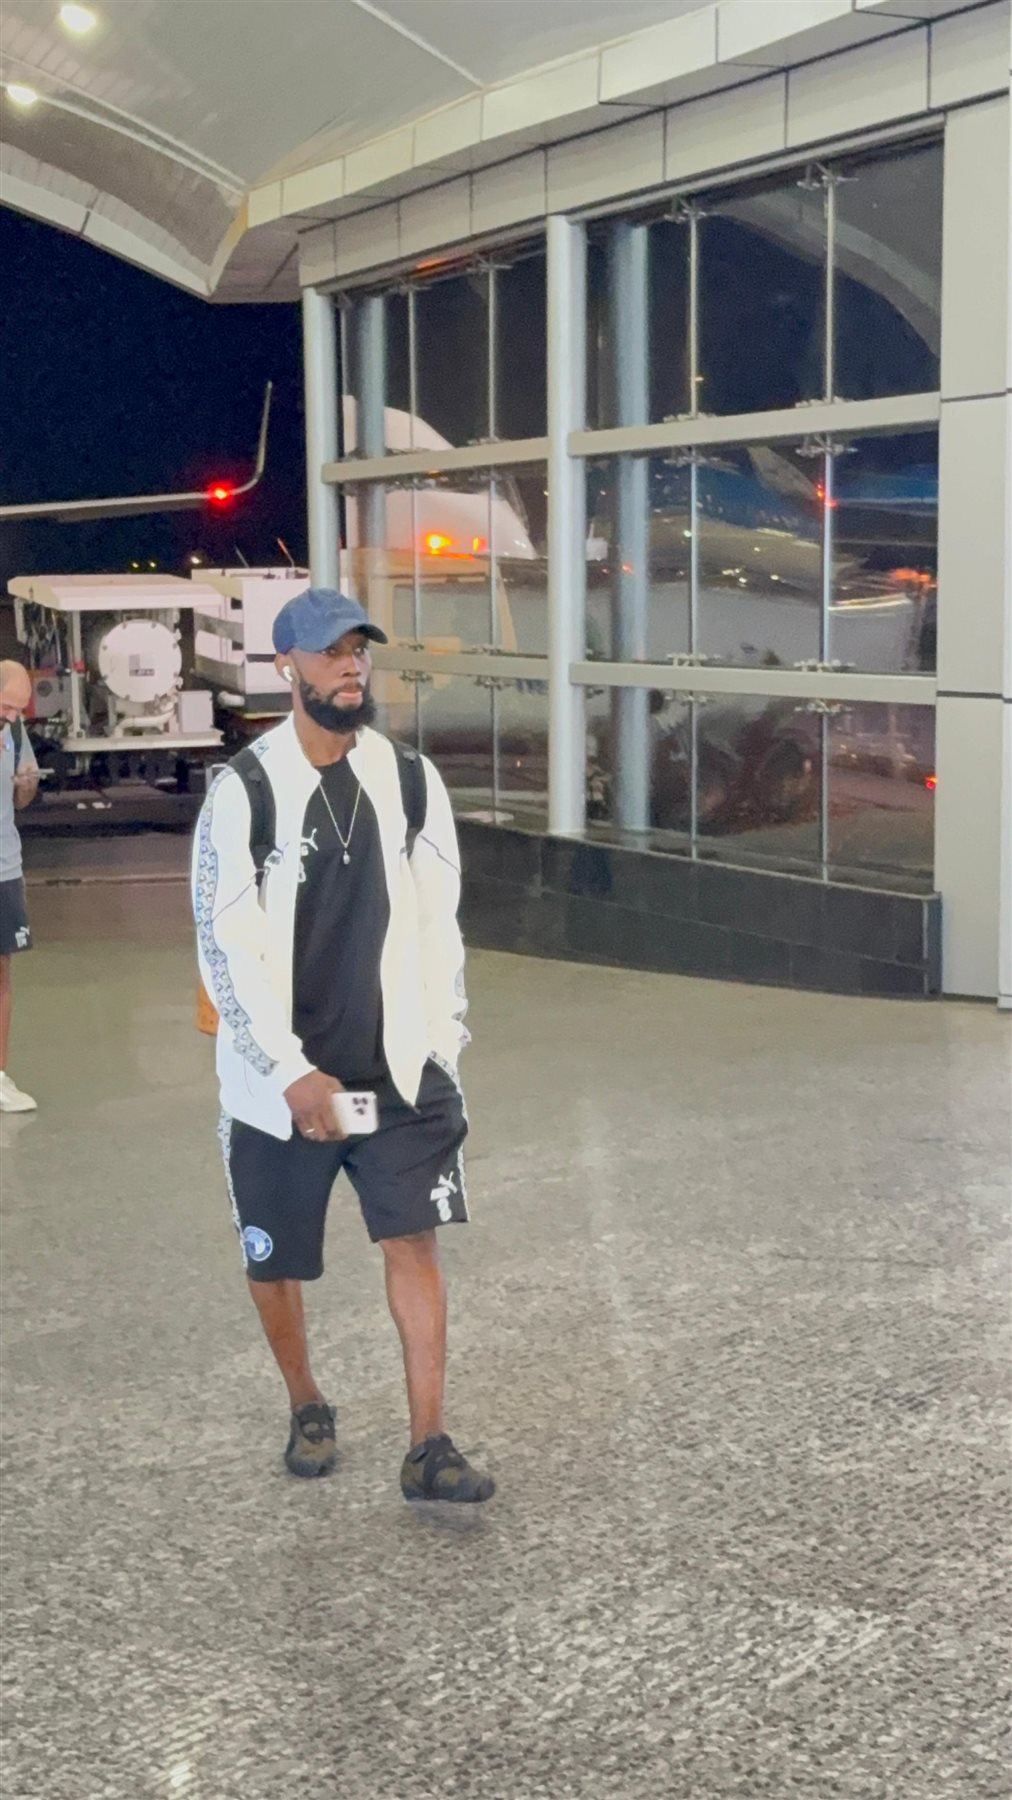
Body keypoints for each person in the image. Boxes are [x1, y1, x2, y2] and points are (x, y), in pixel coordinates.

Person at [192, 588, 493, 1503]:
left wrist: (441, 1042)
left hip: (392, 1077)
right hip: (285, 1087)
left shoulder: (409, 779)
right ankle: (306, 1401)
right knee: (274, 1260)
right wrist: (288, 1074)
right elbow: (224, 949)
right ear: (287, 666)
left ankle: (428, 1444)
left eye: (360, 649)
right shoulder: (244, 791)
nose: (351, 666)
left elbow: (440, 921)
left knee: (414, 1240)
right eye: (330, 653)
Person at [0, 661, 40, 1114]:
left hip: (4, 867)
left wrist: (25, 784)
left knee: (2, 974)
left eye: (18, 709)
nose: (12, 716)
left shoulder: (13, 731)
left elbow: (20, 798)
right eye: (7, 706)